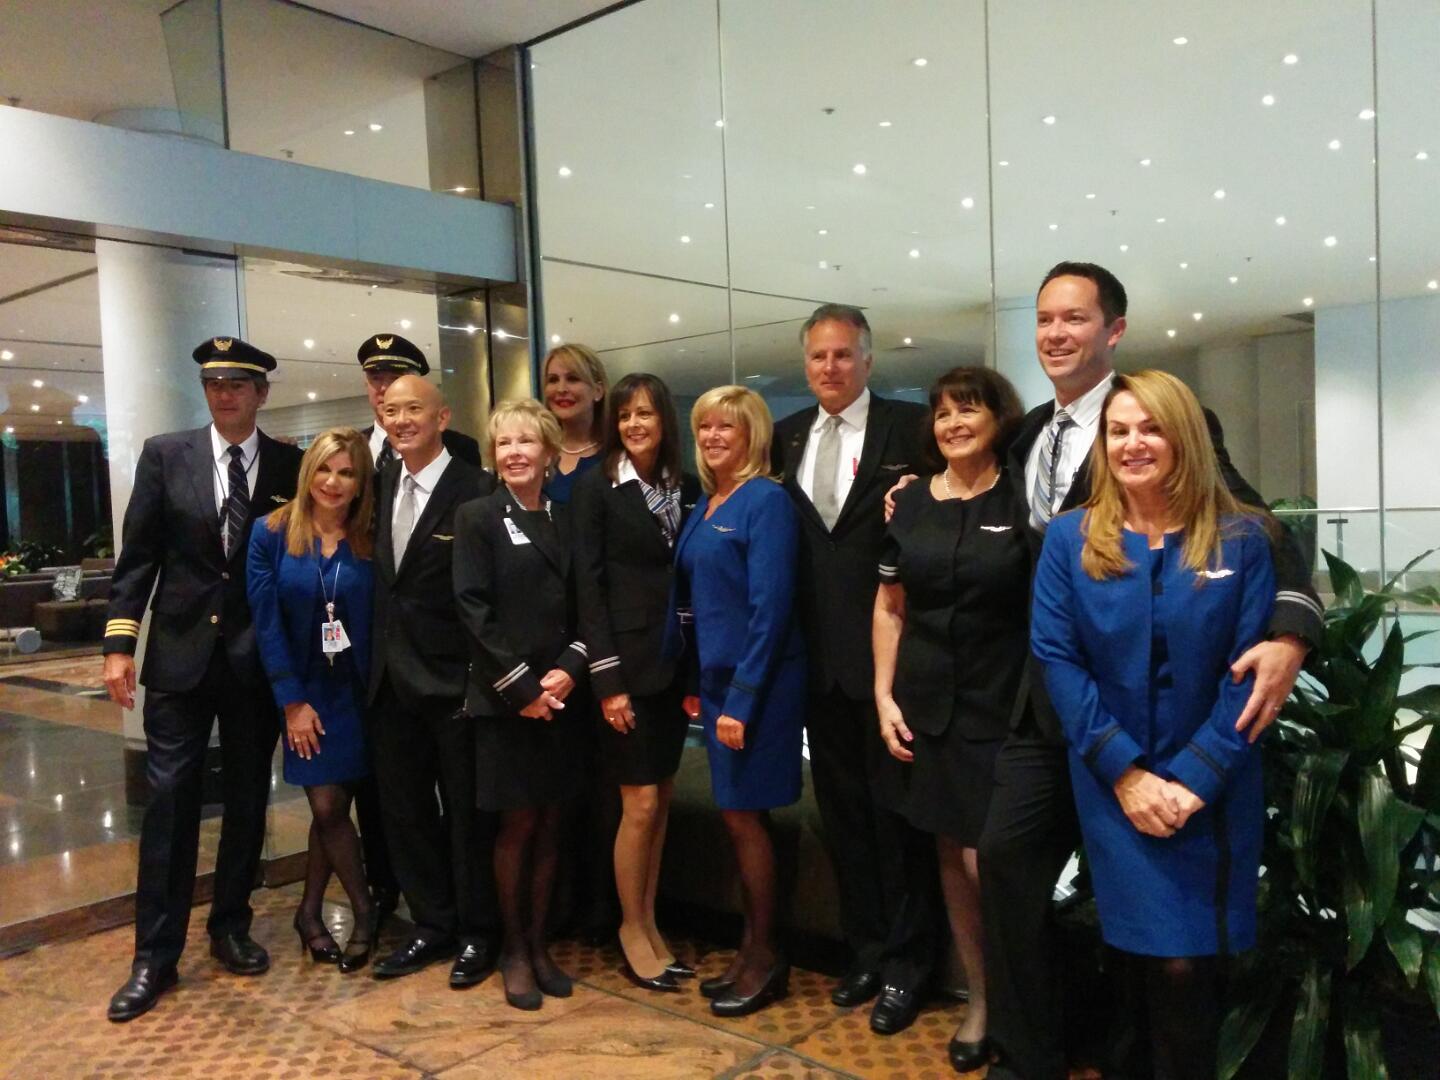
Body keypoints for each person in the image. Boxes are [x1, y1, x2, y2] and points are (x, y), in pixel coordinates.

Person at [968, 262, 1323, 1080]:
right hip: (1052, 702)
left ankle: (1125, 1052)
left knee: (1165, 945)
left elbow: (1261, 531)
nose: (1056, 333)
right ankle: (1029, 1057)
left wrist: (1294, 625)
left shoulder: (1173, 418)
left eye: (1075, 318)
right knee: (1006, 861)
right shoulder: (1026, 436)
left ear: (1113, 330)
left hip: (1164, 719)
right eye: (1045, 319)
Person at [1031, 370, 1276, 1079]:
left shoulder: (1243, 539)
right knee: (1143, 961)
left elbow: (1251, 675)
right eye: (1118, 431)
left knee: (1187, 967)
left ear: (1185, 437)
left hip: (1213, 788)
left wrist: (1194, 781)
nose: (1132, 443)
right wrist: (1128, 776)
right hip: (1114, 782)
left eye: (1151, 428)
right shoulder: (1069, 539)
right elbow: (1057, 658)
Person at [103, 337, 302, 1022]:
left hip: (254, 661)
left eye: (238, 384)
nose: (224, 394)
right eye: (214, 383)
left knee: (247, 797)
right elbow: (138, 558)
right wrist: (119, 645)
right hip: (180, 657)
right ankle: (154, 956)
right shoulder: (166, 455)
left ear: (261, 393)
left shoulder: (290, 466)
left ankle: (230, 925)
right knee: (170, 802)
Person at [771, 304, 936, 1033]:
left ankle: (910, 965)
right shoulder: (785, 436)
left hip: (893, 668)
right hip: (819, 667)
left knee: (899, 821)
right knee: (843, 820)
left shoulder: (913, 429)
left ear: (868, 360)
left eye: (844, 354)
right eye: (819, 356)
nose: (830, 367)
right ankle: (865, 952)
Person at [873, 366, 1029, 1074]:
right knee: (949, 857)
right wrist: (884, 696)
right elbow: (889, 606)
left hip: (1004, 707)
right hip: (925, 706)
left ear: (999, 419)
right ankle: (980, 999)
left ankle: (1022, 1005)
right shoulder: (909, 502)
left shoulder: (1023, 496)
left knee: (986, 860)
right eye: (942, 413)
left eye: (969, 410)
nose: (954, 423)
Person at [671, 385, 806, 1018]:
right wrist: (696, 686)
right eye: (704, 427)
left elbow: (770, 610)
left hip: (759, 688)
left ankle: (766, 956)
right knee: (738, 818)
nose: (713, 437)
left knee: (747, 818)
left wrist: (742, 700)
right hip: (717, 686)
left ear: (753, 435)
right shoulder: (707, 502)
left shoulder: (766, 501)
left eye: (727, 426)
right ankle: (753, 949)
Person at [453, 399, 591, 1010]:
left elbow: (589, 605)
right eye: (504, 443)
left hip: (562, 698)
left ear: (549, 451)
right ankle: (512, 950)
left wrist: (570, 670)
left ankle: (539, 946)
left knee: (553, 824)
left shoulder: (568, 518)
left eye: (526, 442)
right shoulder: (478, 515)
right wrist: (524, 689)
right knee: (516, 826)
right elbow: (472, 609)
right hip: (505, 700)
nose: (514, 453)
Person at [366, 374, 499, 987]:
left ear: (442, 417)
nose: (400, 420)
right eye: (390, 410)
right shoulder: (378, 483)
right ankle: (431, 923)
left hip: (455, 683)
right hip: (389, 682)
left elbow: (488, 594)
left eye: (413, 409)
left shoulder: (478, 489)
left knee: (469, 816)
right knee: (405, 812)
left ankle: (478, 932)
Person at [572, 374, 701, 992]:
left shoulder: (687, 486)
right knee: (639, 803)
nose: (633, 424)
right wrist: (607, 682)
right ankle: (630, 927)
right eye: (624, 415)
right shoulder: (597, 487)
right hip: (623, 670)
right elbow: (588, 589)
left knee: (662, 800)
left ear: (664, 419)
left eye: (645, 413)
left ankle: (650, 920)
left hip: (673, 664)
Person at [247, 427, 378, 973]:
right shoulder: (270, 533)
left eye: (346, 472)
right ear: (308, 473)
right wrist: (291, 702)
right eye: (324, 468)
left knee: (336, 810)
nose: (333, 481)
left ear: (360, 482)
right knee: (326, 806)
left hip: (359, 693)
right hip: (304, 693)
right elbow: (266, 624)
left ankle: (308, 912)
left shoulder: (370, 534)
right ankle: (365, 912)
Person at [358, 332, 483, 471]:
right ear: (366, 383)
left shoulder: (458, 447)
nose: (384, 388)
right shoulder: (353, 446)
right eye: (376, 378)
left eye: (394, 378)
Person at [541, 343, 608, 505]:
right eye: (553, 380)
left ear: (598, 391)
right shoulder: (538, 452)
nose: (561, 389)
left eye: (573, 379)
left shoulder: (616, 455)